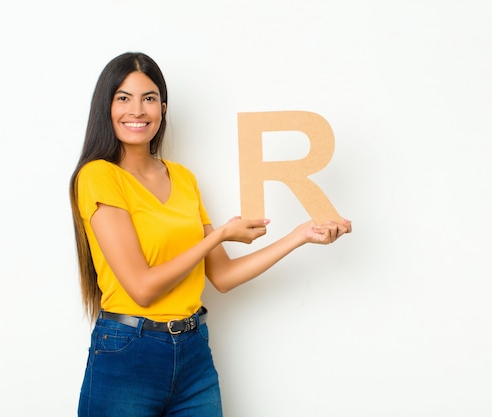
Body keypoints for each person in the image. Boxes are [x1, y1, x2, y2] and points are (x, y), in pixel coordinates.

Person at [69, 52, 352, 417]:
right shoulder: (99, 177)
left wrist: (300, 235)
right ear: (105, 107)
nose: (137, 110)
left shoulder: (183, 178)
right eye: (123, 98)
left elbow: (222, 276)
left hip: (193, 353)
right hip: (128, 353)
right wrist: (216, 236)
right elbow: (141, 288)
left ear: (163, 108)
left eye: (149, 98)